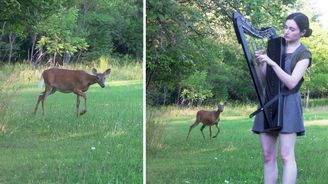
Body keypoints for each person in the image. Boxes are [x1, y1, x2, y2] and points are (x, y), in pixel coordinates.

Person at [252, 12, 312, 184]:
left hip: (288, 104)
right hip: (268, 103)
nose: (286, 32)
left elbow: (292, 82)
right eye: (285, 27)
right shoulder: (275, 46)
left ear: (302, 32)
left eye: (292, 29)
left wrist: (272, 62)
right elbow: (263, 81)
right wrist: (260, 63)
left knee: (286, 156)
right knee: (268, 155)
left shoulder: (304, 54)